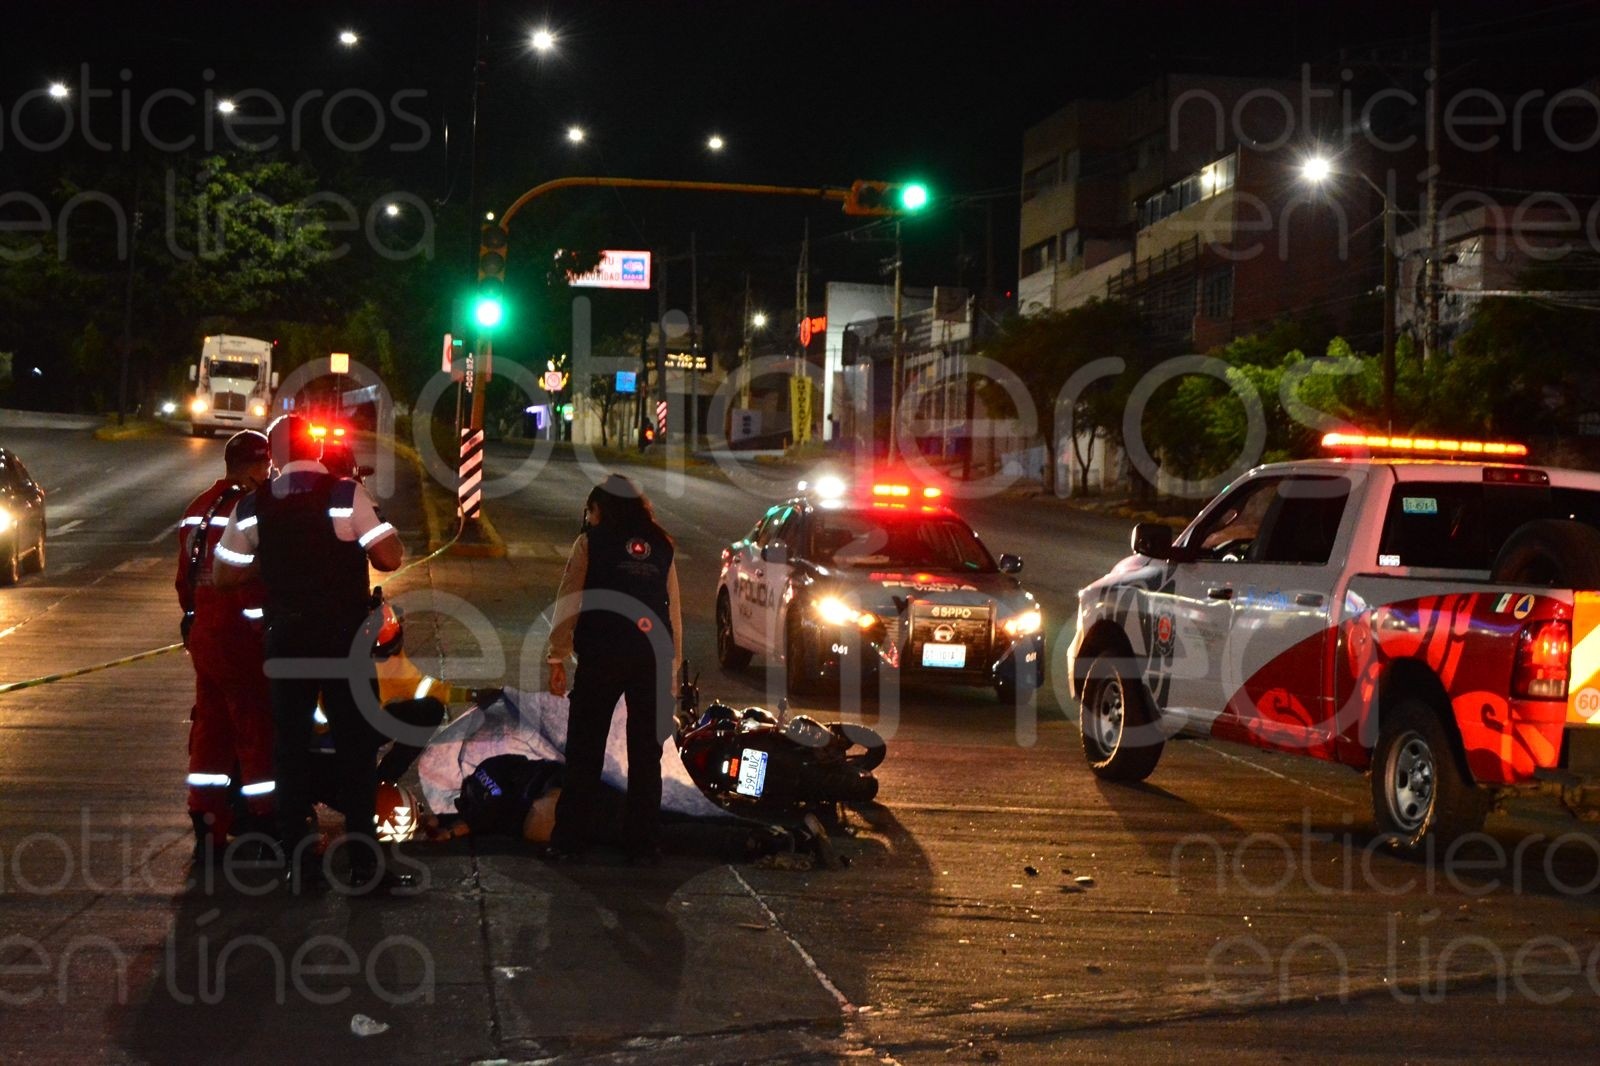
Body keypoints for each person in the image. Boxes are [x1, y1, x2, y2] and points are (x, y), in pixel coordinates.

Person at [213, 414, 405, 891]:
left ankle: (299, 865)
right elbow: (389, 558)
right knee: (357, 749)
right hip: (344, 643)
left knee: (290, 751)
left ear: (274, 455)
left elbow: (223, 575)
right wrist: (374, 528)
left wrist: (274, 561)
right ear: (317, 451)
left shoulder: (256, 506)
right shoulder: (345, 495)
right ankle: (365, 864)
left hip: (288, 641)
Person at [545, 473, 682, 861]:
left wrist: (557, 656)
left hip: (602, 655)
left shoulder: (591, 542)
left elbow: (568, 600)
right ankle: (643, 842)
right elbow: (673, 610)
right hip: (652, 656)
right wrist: (671, 674)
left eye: (589, 512)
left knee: (585, 749)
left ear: (598, 509)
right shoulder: (661, 545)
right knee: (646, 754)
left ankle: (569, 841)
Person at [175, 430, 273, 864]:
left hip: (204, 636)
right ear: (259, 466)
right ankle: (264, 821)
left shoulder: (197, 509)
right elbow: (267, 572)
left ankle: (206, 822)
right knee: (255, 726)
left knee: (209, 728)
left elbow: (184, 580)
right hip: (241, 634)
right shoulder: (251, 509)